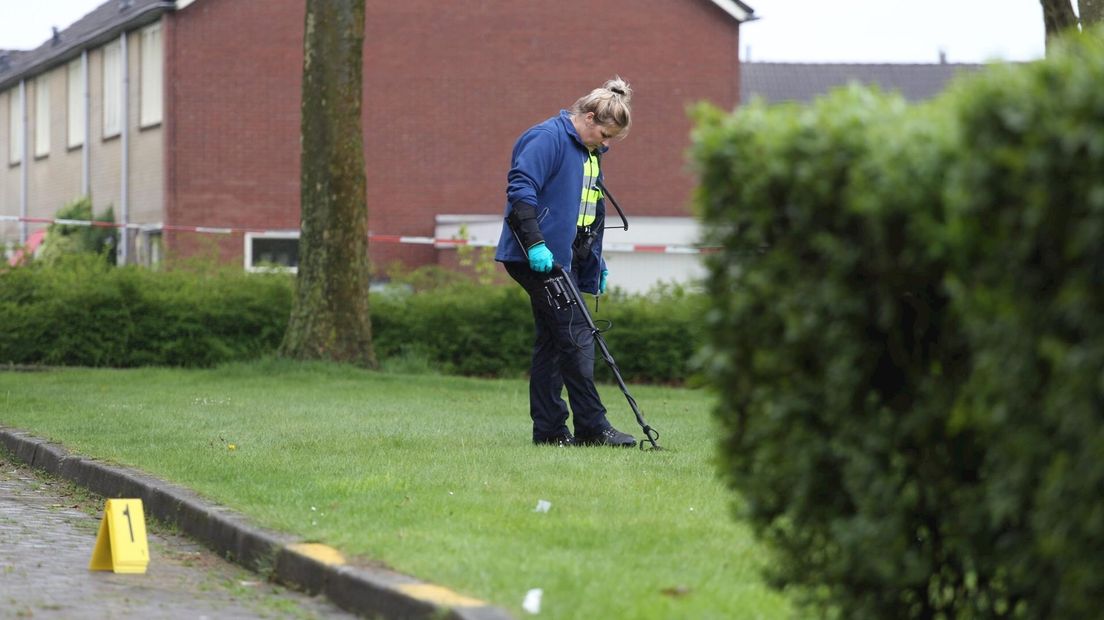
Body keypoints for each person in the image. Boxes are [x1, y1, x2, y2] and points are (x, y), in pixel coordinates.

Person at [495, 77, 637, 448]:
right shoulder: (547, 138)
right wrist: (536, 245)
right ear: (588, 117)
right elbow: (521, 190)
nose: (606, 145)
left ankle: (550, 432)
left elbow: (587, 212)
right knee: (576, 336)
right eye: (604, 135)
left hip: (568, 259)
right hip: (538, 257)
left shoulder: (588, 153)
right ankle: (592, 427)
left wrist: (596, 261)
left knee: (554, 342)